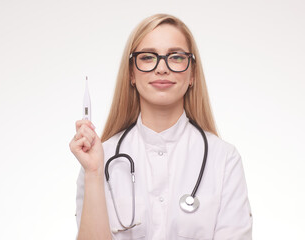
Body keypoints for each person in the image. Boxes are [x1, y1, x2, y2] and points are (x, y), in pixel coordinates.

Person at [69, 13, 252, 240]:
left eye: (175, 57)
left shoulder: (224, 159)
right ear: (131, 74)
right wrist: (94, 172)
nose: (162, 68)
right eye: (147, 57)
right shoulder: (98, 160)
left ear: (192, 73)